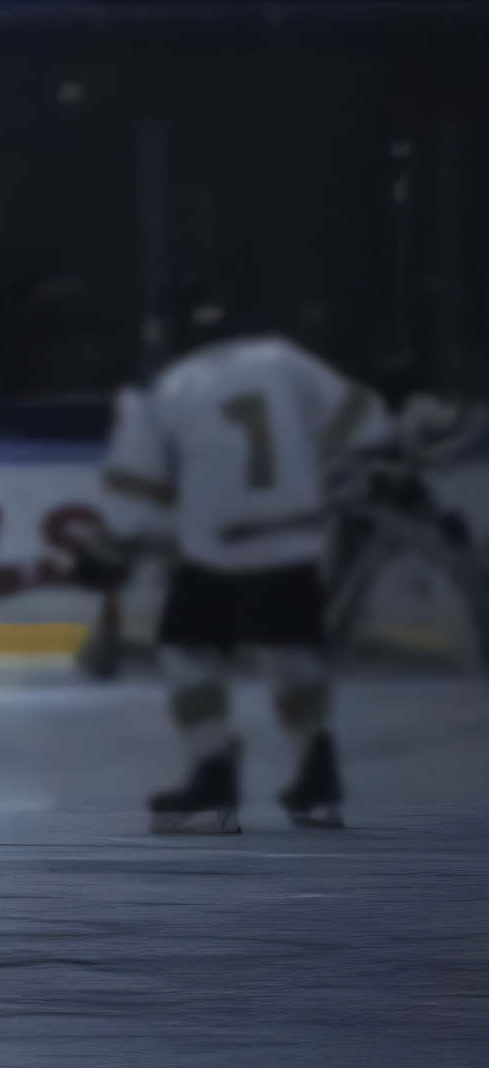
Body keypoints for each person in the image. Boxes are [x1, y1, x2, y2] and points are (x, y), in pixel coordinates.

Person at [98, 310, 388, 832]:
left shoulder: (172, 387)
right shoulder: (283, 359)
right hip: (295, 538)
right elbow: (364, 417)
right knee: (291, 653)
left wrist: (113, 549)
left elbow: (136, 488)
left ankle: (213, 774)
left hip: (218, 549)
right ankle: (317, 778)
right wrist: (317, 474)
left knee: (187, 651)